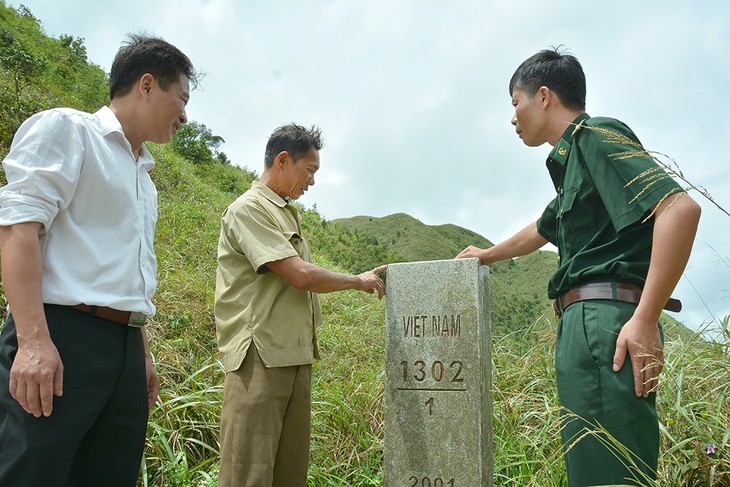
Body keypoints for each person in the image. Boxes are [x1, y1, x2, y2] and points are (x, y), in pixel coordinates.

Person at [457, 48, 701, 486]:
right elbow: (541, 229)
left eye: (516, 103)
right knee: (592, 465)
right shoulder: (573, 166)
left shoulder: (596, 135)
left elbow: (679, 210)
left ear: (544, 96)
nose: (513, 118)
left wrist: (644, 319)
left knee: (610, 470)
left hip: (605, 320)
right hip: (583, 324)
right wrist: (487, 254)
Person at [0, 34, 197, 486]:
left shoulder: (143, 178)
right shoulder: (70, 130)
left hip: (123, 347)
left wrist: (139, 351)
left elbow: (127, 270)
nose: (185, 116)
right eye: (181, 99)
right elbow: (17, 226)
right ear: (146, 85)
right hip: (62, 335)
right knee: (35, 472)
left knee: (110, 474)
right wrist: (32, 341)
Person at [215, 123, 387, 487]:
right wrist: (358, 281)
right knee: (248, 473)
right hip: (259, 357)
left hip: (294, 356)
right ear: (282, 160)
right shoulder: (249, 209)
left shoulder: (284, 211)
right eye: (309, 171)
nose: (311, 182)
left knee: (288, 473)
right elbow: (300, 275)